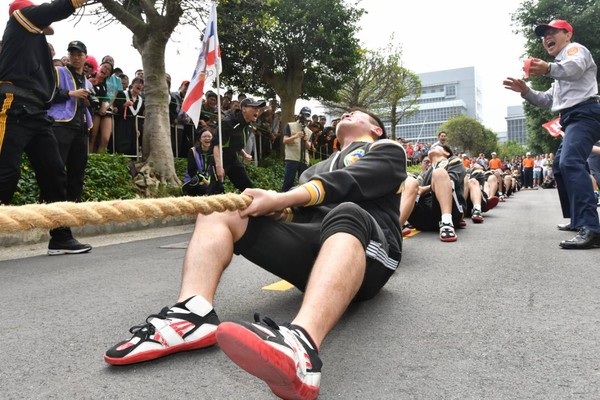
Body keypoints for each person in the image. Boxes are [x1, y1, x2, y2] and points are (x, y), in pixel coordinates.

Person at [104, 109, 406, 400]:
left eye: (356, 114)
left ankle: (301, 346)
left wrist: (280, 198)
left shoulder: (387, 149)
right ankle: (192, 314)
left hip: (368, 251)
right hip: (318, 252)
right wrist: (276, 210)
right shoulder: (316, 169)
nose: (346, 115)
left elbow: (349, 183)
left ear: (376, 128)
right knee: (223, 208)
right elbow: (302, 212)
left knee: (347, 211)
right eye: (345, 113)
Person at [0, 0, 92, 255]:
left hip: (38, 113)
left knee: (54, 174)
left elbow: (51, 91)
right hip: (13, 107)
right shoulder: (18, 22)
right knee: (5, 174)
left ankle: (60, 236)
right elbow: (52, 11)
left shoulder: (37, 43)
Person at [504, 19, 600, 249]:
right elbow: (548, 100)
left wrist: (547, 68)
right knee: (559, 165)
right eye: (544, 34)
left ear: (567, 34)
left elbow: (574, 68)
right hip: (571, 118)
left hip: (584, 114)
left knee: (570, 163)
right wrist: (526, 91)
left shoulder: (575, 51)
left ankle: (592, 228)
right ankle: (578, 220)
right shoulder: (559, 72)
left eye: (552, 31)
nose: (547, 36)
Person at [47, 40, 94, 204]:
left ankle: (73, 211)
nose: (75, 57)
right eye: (72, 54)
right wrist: (71, 93)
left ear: (85, 57)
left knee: (77, 174)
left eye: (79, 54)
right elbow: (48, 95)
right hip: (61, 126)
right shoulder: (58, 71)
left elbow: (92, 107)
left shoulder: (87, 81)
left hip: (81, 129)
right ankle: (50, 208)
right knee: (56, 170)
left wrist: (90, 103)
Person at [212, 97, 265, 191]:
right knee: (215, 190)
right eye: (254, 108)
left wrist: (244, 154)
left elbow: (235, 143)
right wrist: (219, 166)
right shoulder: (228, 123)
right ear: (244, 109)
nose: (257, 110)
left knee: (248, 188)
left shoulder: (248, 124)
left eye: (258, 109)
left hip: (233, 158)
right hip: (219, 157)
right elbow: (217, 145)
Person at [281, 106, 313, 192]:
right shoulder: (290, 125)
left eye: (307, 115)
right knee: (288, 181)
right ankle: (283, 201)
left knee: (303, 183)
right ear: (300, 115)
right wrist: (296, 136)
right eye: (304, 115)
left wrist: (306, 140)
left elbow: (309, 146)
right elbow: (285, 140)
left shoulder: (309, 131)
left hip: (304, 160)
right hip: (292, 158)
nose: (306, 118)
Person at [181, 129, 222, 196]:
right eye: (204, 136)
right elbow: (192, 171)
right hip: (194, 181)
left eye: (209, 136)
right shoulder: (193, 151)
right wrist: (206, 181)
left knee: (219, 188)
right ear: (200, 139)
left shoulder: (215, 152)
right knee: (208, 189)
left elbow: (214, 170)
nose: (207, 138)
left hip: (209, 181)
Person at [111, 77, 144, 156]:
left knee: (132, 146)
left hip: (133, 125)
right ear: (132, 85)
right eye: (137, 82)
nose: (139, 85)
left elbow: (139, 116)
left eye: (141, 84)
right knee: (121, 144)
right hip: (122, 123)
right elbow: (116, 109)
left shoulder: (140, 100)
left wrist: (138, 128)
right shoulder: (123, 94)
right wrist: (124, 105)